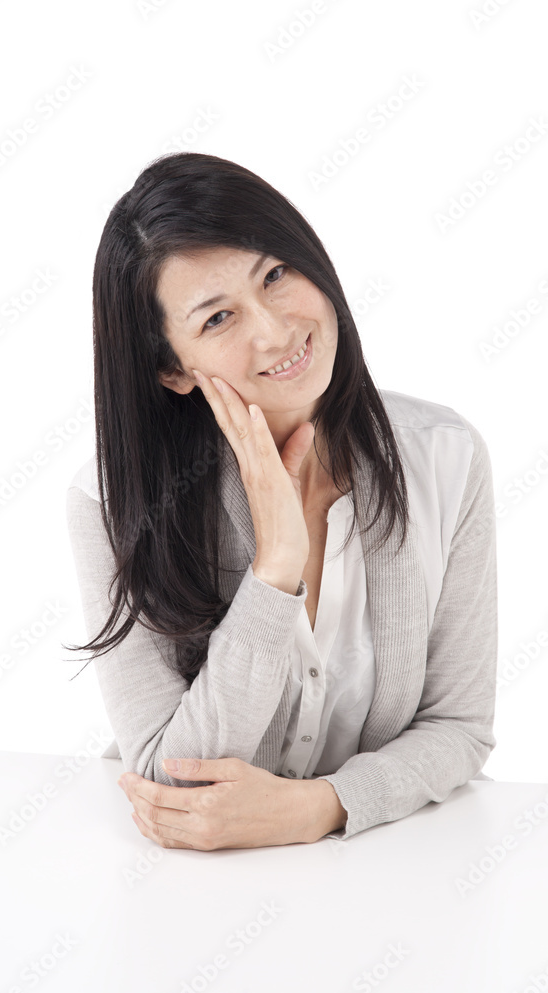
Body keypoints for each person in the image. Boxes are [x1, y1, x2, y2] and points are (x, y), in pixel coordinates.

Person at [65, 151, 498, 851]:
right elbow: (170, 781)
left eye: (275, 275)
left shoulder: (444, 458)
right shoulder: (111, 502)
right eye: (217, 318)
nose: (273, 331)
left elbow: (458, 727)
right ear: (172, 368)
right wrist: (273, 572)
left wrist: (320, 808)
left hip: (394, 871)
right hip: (189, 889)